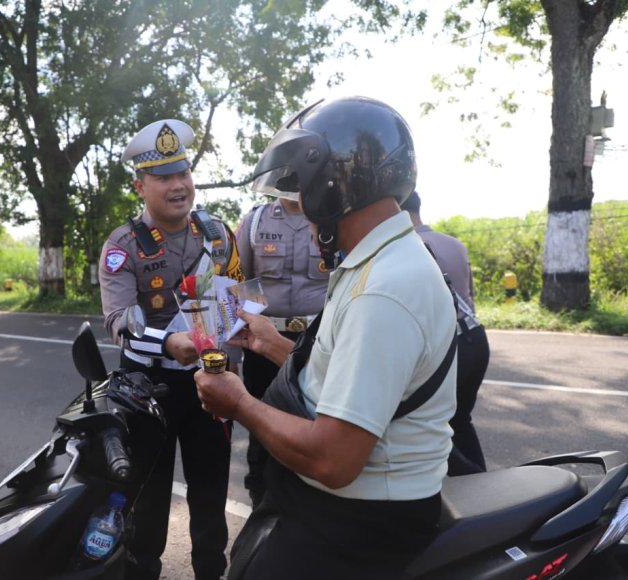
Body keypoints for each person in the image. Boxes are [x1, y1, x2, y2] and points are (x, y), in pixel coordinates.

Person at [194, 96, 458, 579]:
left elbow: (334, 460)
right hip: (347, 497)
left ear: (333, 188)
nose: (302, 208)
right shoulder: (378, 259)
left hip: (356, 516)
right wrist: (269, 343)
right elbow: (348, 372)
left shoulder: (383, 290)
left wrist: (240, 404)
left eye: (304, 190)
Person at [98, 118, 245, 580]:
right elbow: (119, 322)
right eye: (163, 177)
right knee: (147, 502)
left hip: (210, 382)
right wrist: (167, 342)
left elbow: (235, 298)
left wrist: (236, 331)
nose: (178, 185)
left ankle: (210, 572)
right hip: (149, 389)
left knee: (210, 495)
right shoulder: (123, 246)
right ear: (140, 186)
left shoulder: (217, 235)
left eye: (183, 173)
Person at [235, 196, 328, 506]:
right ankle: (261, 499)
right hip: (263, 339)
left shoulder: (329, 216)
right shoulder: (255, 222)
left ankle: (311, 503)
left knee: (317, 419)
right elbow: (240, 282)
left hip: (317, 338)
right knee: (262, 422)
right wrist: (231, 355)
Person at [401, 190, 490, 475]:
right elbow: (469, 295)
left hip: (448, 347)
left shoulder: (407, 247)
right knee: (461, 419)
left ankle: (467, 482)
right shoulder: (455, 244)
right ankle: (482, 483)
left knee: (429, 426)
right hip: (475, 339)